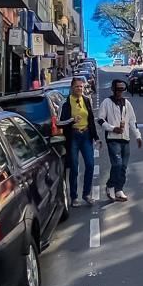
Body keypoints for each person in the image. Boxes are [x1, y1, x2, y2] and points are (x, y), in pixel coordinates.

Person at [97, 78, 142, 202]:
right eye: (118, 89)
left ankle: (119, 189)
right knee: (117, 164)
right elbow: (100, 119)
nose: (120, 92)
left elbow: (132, 121)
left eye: (122, 89)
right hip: (113, 139)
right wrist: (112, 128)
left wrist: (138, 136)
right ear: (113, 89)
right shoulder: (106, 102)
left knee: (123, 167)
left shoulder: (127, 103)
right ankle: (110, 186)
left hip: (125, 138)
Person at [58, 75, 96, 206]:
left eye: (81, 86)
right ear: (72, 88)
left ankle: (86, 194)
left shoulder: (86, 100)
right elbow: (59, 122)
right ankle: (74, 197)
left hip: (86, 135)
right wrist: (72, 120)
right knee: (74, 167)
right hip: (73, 136)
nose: (79, 89)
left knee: (90, 164)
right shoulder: (65, 103)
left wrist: (96, 137)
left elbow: (91, 119)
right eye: (77, 87)